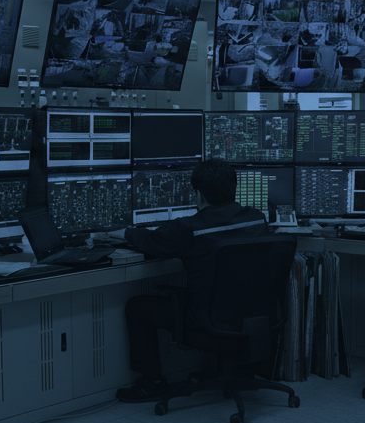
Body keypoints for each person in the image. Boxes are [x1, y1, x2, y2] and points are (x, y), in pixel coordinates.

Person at [112, 159, 270, 403]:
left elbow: (152, 242)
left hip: (206, 325)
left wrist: (124, 232)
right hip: (252, 321)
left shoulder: (190, 228)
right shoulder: (257, 219)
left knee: (137, 307)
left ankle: (152, 384)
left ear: (198, 194)